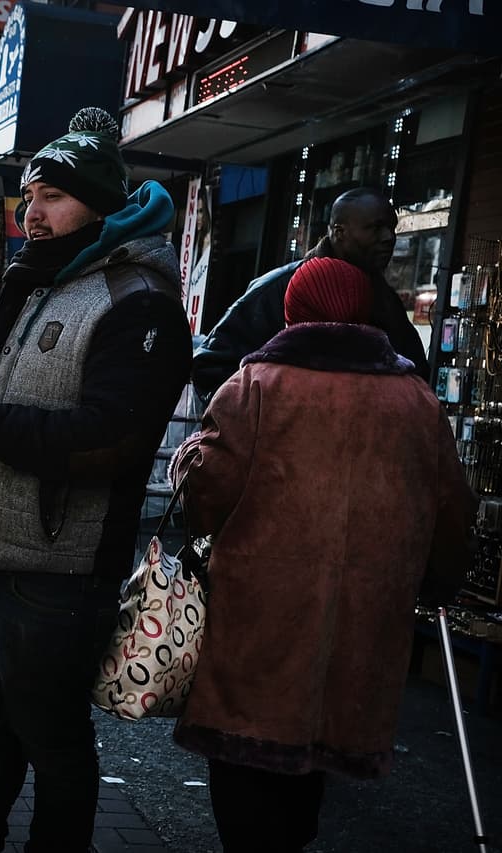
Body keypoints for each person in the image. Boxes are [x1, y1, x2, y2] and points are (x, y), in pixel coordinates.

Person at [0, 107, 193, 852]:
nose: (31, 214)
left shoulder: (140, 299)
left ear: (97, 206)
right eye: (29, 197)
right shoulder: (41, 278)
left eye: (51, 198)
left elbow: (107, 441)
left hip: (58, 576)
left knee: (55, 747)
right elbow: (1, 403)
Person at [168, 256, 477, 853]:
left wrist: (189, 475)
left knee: (246, 763)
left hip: (261, 614)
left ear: (292, 311)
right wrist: (438, 581)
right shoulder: (416, 399)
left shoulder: (257, 384)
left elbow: (208, 487)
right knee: (313, 758)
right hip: (365, 620)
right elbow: (453, 506)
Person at [191, 186, 429, 404]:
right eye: (375, 228)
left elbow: (418, 375)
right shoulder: (278, 288)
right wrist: (264, 423)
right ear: (339, 232)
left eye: (391, 227)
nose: (389, 237)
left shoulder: (386, 301)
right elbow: (209, 366)